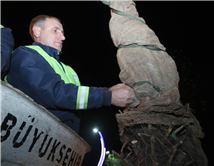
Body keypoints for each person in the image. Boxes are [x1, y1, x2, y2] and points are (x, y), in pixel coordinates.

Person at [5, 15, 135, 133]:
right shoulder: (26, 54)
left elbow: (78, 95)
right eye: (55, 30)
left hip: (62, 140)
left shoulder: (68, 69)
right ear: (37, 31)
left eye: (62, 32)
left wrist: (110, 90)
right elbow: (52, 92)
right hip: (27, 136)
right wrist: (108, 96)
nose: (63, 37)